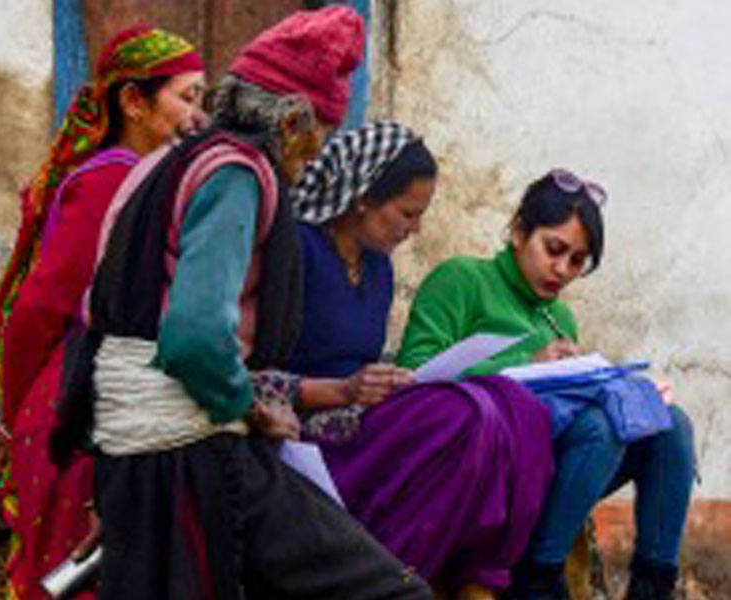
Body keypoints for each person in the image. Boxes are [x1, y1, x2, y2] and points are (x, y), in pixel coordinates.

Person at [54, 8, 431, 600]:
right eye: (318, 139)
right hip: (192, 448)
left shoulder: (164, 164)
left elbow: (98, 320)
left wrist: (113, 483)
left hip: (136, 452)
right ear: (294, 121)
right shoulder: (237, 175)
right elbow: (196, 337)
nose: (311, 161)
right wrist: (250, 408)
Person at [286, 121, 554, 600]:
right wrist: (345, 388)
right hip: (309, 426)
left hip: (365, 412)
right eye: (408, 213)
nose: (416, 229)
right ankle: (396, 578)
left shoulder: (376, 266)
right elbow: (257, 372)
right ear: (363, 197)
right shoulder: (297, 253)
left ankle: (481, 581)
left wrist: (390, 379)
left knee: (517, 405)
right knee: (461, 415)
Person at [397, 169, 695, 600]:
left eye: (577, 261)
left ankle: (653, 584)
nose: (562, 270)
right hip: (481, 464)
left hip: (549, 462)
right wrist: (527, 363)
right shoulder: (462, 280)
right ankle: (538, 577)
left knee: (670, 424)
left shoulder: (558, 318)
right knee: (599, 426)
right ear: (519, 232)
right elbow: (414, 376)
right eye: (554, 250)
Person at [0, 24, 205, 600]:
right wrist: (22, 410)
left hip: (116, 403)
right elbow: (42, 307)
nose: (198, 116)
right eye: (187, 97)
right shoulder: (111, 182)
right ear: (134, 101)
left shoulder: (161, 180)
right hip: (81, 409)